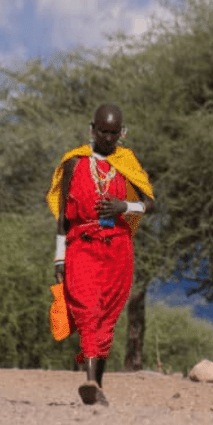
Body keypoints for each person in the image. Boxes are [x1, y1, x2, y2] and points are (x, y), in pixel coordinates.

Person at [46, 104, 155, 406]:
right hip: (81, 243)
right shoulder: (74, 162)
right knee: (88, 308)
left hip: (118, 248)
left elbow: (150, 203)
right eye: (102, 132)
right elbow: (62, 219)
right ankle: (90, 380)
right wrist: (59, 257)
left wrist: (124, 207)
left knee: (107, 314)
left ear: (122, 132)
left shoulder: (127, 162)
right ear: (91, 129)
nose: (107, 139)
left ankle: (97, 385)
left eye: (113, 133)